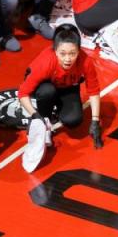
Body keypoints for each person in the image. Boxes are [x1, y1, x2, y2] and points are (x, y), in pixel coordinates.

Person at [18, 25, 103, 173]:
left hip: (67, 87)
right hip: (46, 87)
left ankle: (57, 110)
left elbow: (94, 91)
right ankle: (46, 118)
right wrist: (35, 115)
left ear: (79, 51)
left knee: (74, 120)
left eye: (72, 53)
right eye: (63, 53)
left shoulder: (86, 61)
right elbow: (22, 94)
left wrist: (95, 121)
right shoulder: (45, 62)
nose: (68, 59)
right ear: (55, 50)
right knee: (47, 92)